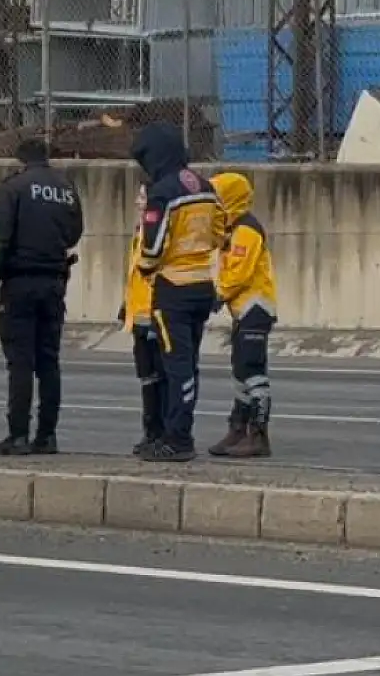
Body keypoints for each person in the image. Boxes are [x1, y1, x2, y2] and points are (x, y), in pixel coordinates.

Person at [129, 122, 225, 463]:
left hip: (172, 288)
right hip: (202, 284)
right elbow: (220, 232)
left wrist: (145, 267)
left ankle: (177, 438)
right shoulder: (206, 186)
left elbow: (152, 248)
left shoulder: (162, 191)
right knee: (190, 364)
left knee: (176, 366)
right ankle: (177, 433)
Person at [0, 139, 83, 456]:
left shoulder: (13, 188)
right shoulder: (65, 187)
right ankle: (47, 434)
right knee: (49, 362)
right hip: (55, 282)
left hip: (20, 283)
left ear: (21, 159)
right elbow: (74, 233)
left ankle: (17, 435)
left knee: (20, 363)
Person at [208, 172, 279, 458]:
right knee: (240, 370)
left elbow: (239, 271)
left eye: (217, 198)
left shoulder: (246, 230)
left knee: (252, 370)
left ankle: (258, 435)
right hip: (244, 309)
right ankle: (238, 428)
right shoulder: (232, 228)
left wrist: (218, 295)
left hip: (255, 307)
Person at [118, 182, 167, 457]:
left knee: (159, 377)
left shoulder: (155, 234)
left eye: (143, 197)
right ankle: (150, 431)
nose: (138, 202)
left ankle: (161, 432)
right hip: (140, 315)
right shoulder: (139, 233)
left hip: (154, 315)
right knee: (147, 378)